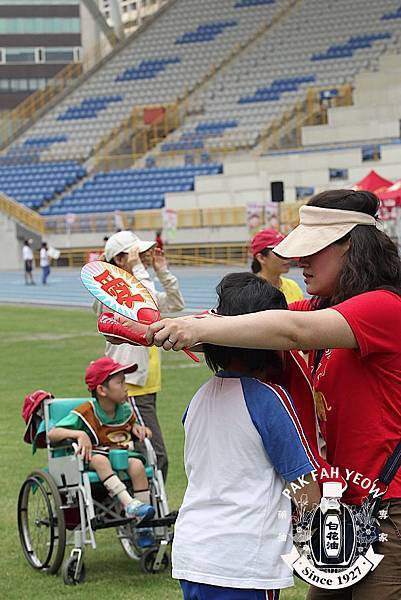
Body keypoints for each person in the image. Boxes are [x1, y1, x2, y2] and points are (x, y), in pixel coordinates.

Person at [147, 190, 401, 600]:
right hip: (345, 509)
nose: (299, 262)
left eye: (313, 249)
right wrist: (155, 327)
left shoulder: (383, 308)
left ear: (350, 246)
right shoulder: (324, 308)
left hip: (389, 509)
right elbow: (248, 324)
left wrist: (195, 330)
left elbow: (290, 331)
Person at [173, 272, 321, 599]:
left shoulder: (198, 399)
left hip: (192, 552)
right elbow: (303, 483)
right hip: (243, 561)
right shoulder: (270, 399)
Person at [97, 230, 185, 481]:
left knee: (143, 455)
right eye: (137, 254)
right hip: (131, 386)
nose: (144, 258)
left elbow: (175, 303)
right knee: (155, 456)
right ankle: (149, 514)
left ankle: (144, 512)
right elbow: (146, 306)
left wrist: (163, 272)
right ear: (120, 260)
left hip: (144, 384)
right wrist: (141, 271)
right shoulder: (113, 294)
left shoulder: (134, 288)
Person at [48, 356, 155, 539]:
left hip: (120, 455)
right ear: (101, 390)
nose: (126, 387)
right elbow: (52, 433)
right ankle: (129, 504)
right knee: (99, 459)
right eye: (120, 383)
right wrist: (79, 434)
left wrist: (140, 430)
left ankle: (144, 524)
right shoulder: (85, 412)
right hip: (94, 457)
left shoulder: (125, 410)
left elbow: (139, 430)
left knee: (137, 465)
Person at [251, 228, 303, 303]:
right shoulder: (248, 292)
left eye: (287, 249)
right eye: (280, 250)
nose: (286, 255)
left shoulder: (293, 287)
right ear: (261, 258)